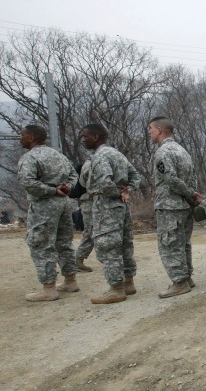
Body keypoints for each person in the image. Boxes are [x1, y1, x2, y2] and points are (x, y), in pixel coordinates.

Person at [17, 124, 79, 301]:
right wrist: (67, 188)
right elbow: (74, 175)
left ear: (31, 138)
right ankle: (70, 280)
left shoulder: (30, 157)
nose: (19, 138)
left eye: (22, 135)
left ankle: (49, 288)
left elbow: (27, 182)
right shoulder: (58, 155)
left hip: (44, 205)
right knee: (64, 242)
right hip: (64, 204)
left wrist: (52, 191)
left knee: (41, 244)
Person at [82, 123, 141, 304]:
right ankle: (128, 282)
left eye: (86, 136)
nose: (83, 140)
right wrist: (127, 191)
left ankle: (116, 288)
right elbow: (135, 175)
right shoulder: (117, 154)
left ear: (96, 137)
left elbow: (104, 183)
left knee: (107, 246)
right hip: (121, 206)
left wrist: (117, 192)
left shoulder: (100, 156)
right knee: (124, 243)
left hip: (106, 206)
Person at [149, 116, 202, 297]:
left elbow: (170, 178)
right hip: (185, 206)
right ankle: (187, 277)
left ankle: (179, 282)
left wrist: (188, 192)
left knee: (170, 243)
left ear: (160, 130)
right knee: (182, 242)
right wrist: (191, 194)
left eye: (151, 128)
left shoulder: (163, 152)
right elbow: (193, 175)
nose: (149, 132)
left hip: (170, 206)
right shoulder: (182, 150)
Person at [71, 160, 95, 272]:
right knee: (90, 231)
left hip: (96, 201)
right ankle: (78, 259)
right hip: (89, 201)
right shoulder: (88, 165)